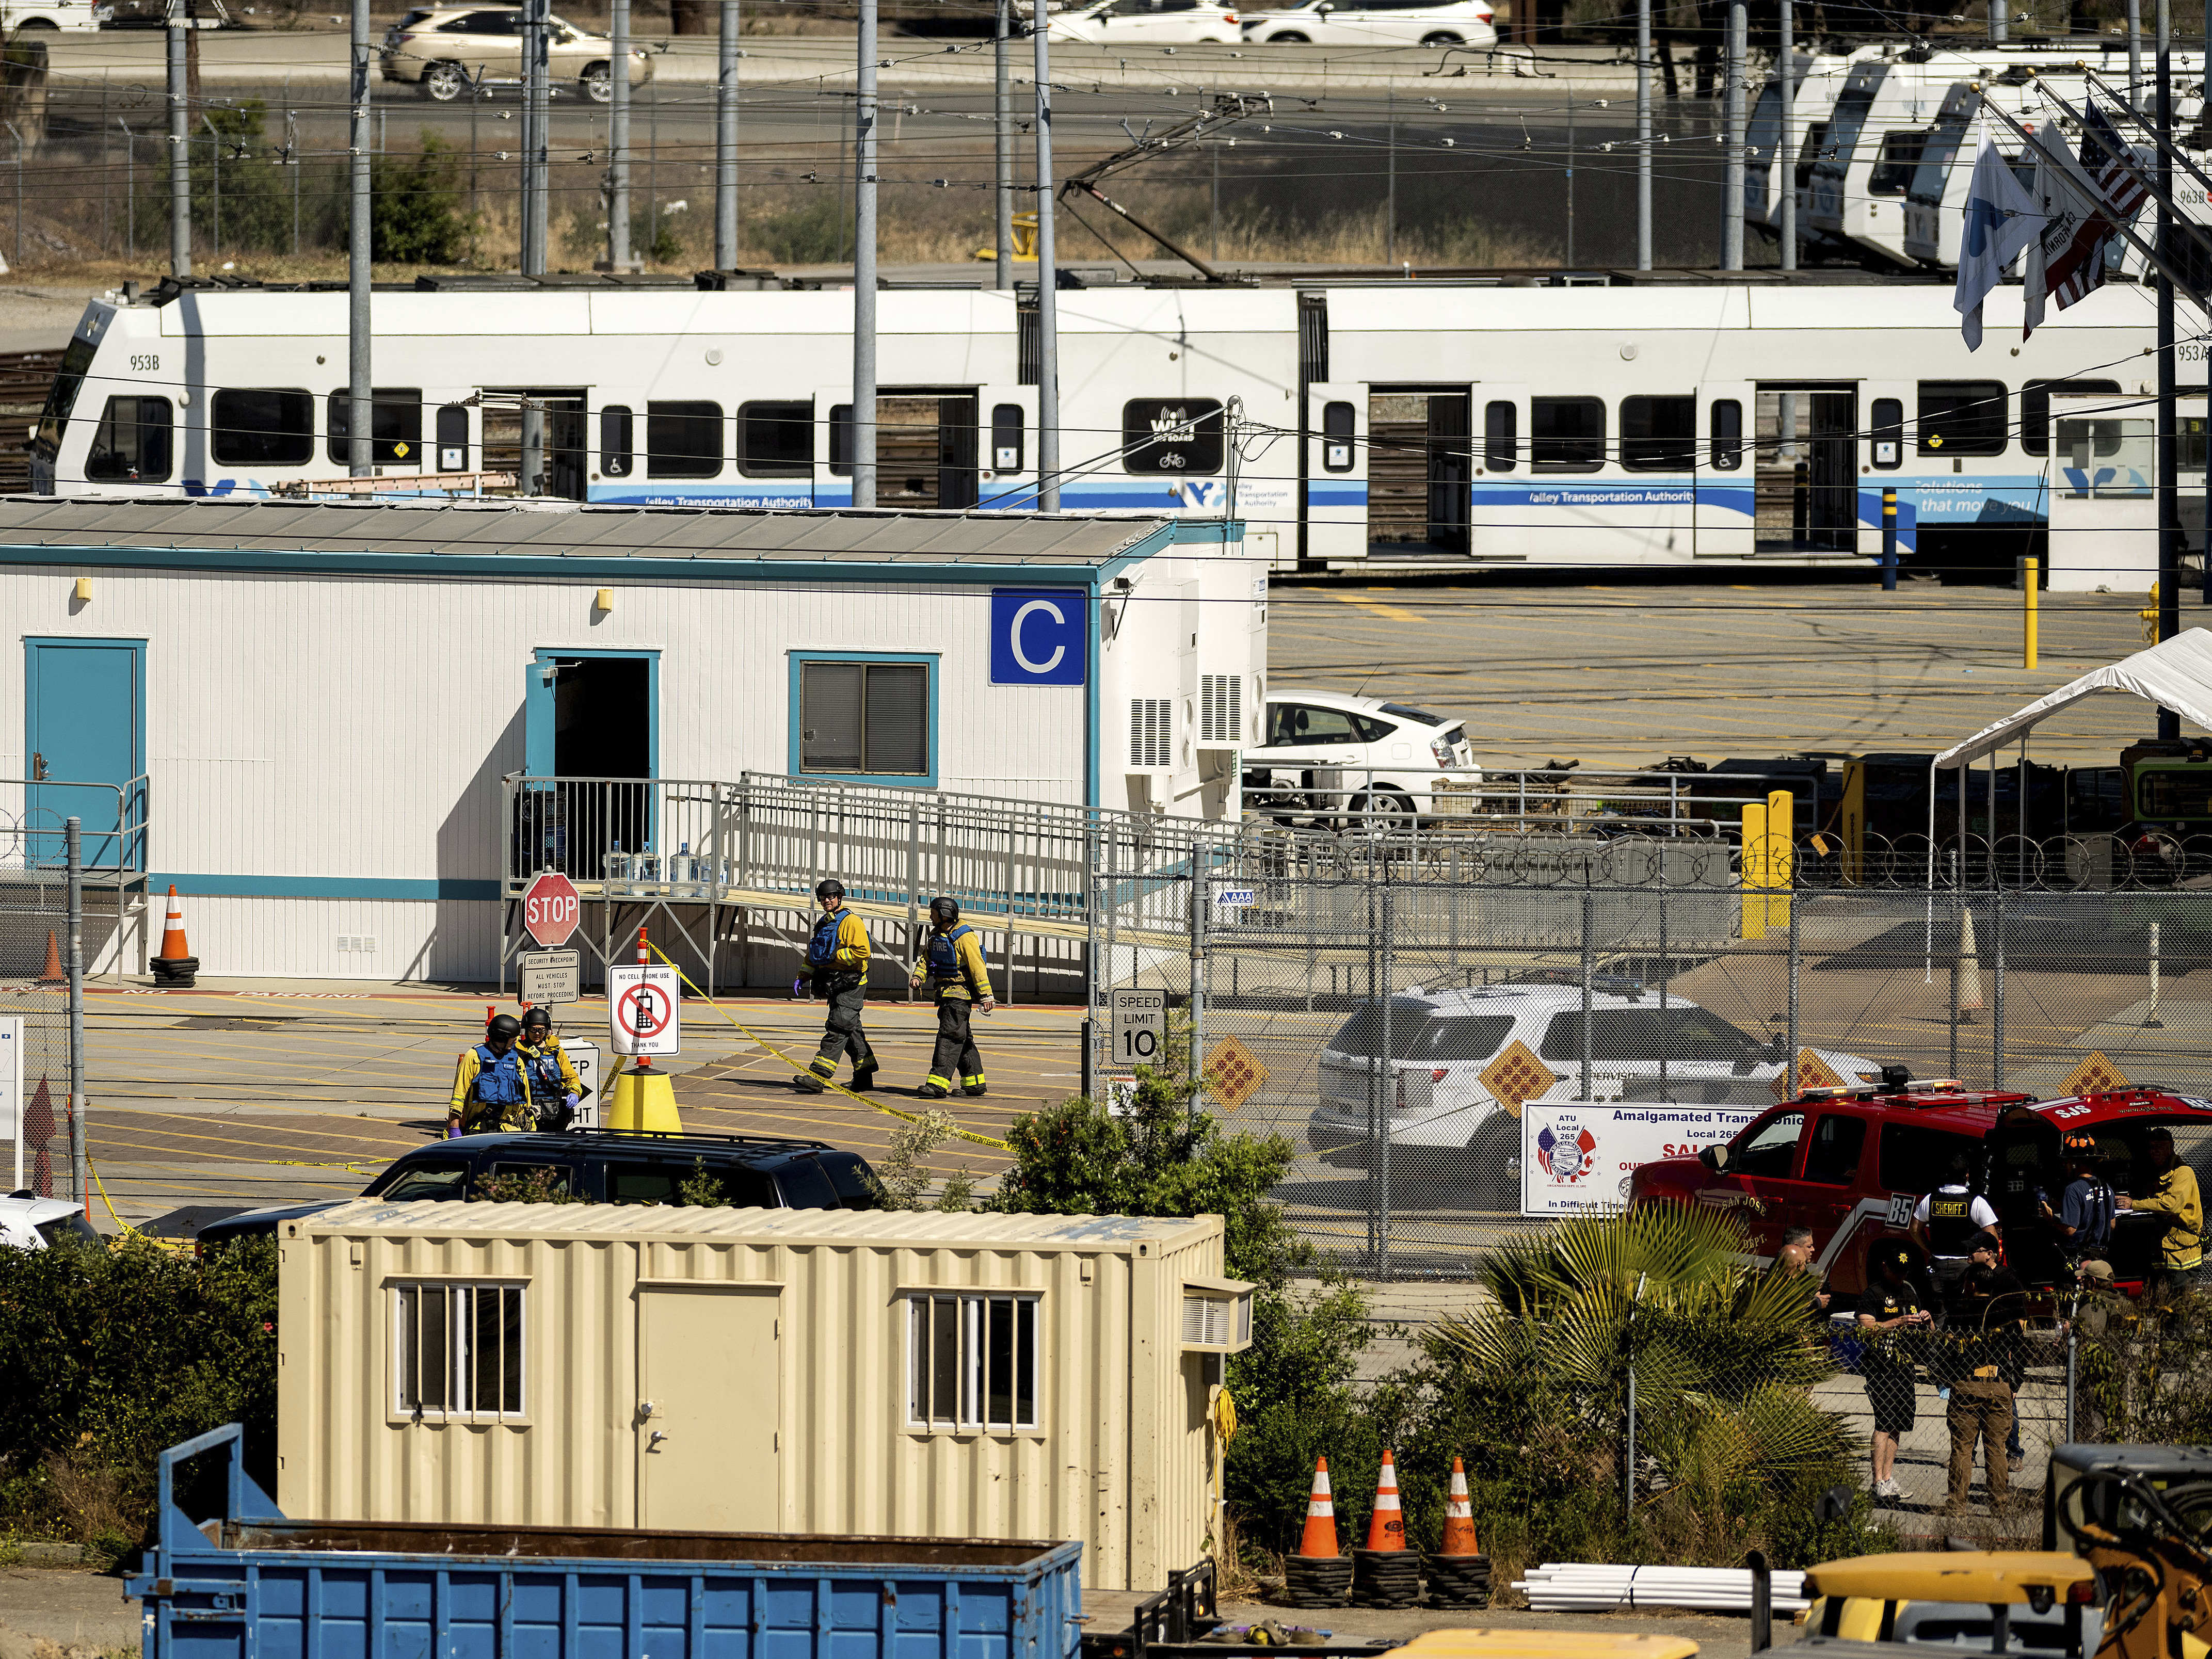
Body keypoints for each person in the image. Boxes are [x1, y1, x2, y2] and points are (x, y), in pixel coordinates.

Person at [1941, 1231, 2029, 1515]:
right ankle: (1999, 1505)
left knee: (1963, 1448)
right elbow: (2022, 1347)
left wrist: (1949, 1378)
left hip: (1967, 1383)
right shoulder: (2002, 1314)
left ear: (1971, 1283)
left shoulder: (1959, 1314)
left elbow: (1944, 1351)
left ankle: (1956, 1506)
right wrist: (2014, 1380)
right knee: (1996, 1448)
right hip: (1999, 1383)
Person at [1857, 1243, 1932, 1505]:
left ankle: (1889, 1478)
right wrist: (1896, 1323)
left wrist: (1925, 1319)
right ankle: (1877, 1482)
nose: (1902, 1277)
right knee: (1884, 1423)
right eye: (1897, 1272)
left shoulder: (1909, 1291)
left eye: (1905, 1272)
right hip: (1881, 1367)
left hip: (1905, 1368)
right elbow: (1866, 1328)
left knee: (1898, 1423)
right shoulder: (1873, 1294)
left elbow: (1929, 1330)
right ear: (1885, 1267)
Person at [794, 878, 877, 1094]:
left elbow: (862, 952)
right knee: (851, 1031)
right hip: (834, 983)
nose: (826, 901)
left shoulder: (851, 922)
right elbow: (814, 954)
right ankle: (864, 1075)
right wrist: (803, 975)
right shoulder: (822, 923)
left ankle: (818, 1076)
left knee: (838, 1027)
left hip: (852, 983)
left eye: (830, 897)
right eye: (822, 898)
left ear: (839, 897)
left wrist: (835, 957)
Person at [908, 896, 995, 1100]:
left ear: (944, 914)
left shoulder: (964, 936)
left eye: (933, 913)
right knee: (962, 1039)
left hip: (959, 996)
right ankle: (974, 1084)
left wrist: (986, 995)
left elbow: (977, 966)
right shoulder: (936, 936)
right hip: (946, 995)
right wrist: (918, 976)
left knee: (949, 1036)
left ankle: (937, 1084)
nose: (930, 916)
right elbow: (928, 961)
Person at [2117, 1125, 2204, 1303]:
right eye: (2151, 1147)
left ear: (2171, 1146)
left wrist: (2134, 1204)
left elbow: (2171, 1205)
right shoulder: (2158, 1173)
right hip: (2162, 1251)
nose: (2154, 1151)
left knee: (2180, 1307)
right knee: (2163, 1308)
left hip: (2182, 1256)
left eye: (2159, 1146)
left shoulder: (2183, 1173)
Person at [1911, 1152, 2001, 1298]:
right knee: (1963, 1312)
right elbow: (1992, 1238)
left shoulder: (1930, 1200)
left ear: (1947, 1175)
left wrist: (1930, 1249)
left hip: (1937, 1266)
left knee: (1938, 1313)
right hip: (1966, 1267)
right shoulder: (1976, 1202)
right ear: (1967, 1176)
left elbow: (1915, 1230)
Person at [448, 1013, 532, 1137]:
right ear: (501, 1037)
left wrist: (532, 1128)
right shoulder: (474, 1057)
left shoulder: (517, 1061)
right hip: (478, 1130)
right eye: (513, 1038)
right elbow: (458, 1097)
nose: (516, 1041)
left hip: (510, 1131)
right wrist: (454, 1128)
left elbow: (526, 1100)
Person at [2041, 1131, 2115, 1267]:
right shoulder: (2107, 1188)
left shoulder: (2073, 1190)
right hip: (2102, 1256)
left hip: (2079, 1257)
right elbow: (2112, 1224)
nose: (2065, 1166)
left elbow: (2070, 1230)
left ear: (2076, 1164)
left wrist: (2051, 1219)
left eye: (2067, 1162)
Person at [518, 1005, 590, 1129]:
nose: (537, 1033)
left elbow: (571, 1077)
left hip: (554, 1109)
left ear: (547, 1030)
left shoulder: (556, 1051)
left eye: (541, 1030)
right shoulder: (519, 1051)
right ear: (526, 1029)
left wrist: (574, 1093)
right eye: (533, 1029)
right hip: (528, 1109)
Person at [1770, 1225, 1833, 1318]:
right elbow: (1788, 1307)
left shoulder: (1801, 1268)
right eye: (1809, 1246)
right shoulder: (1780, 1272)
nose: (1813, 1249)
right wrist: (1817, 1303)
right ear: (1796, 1247)